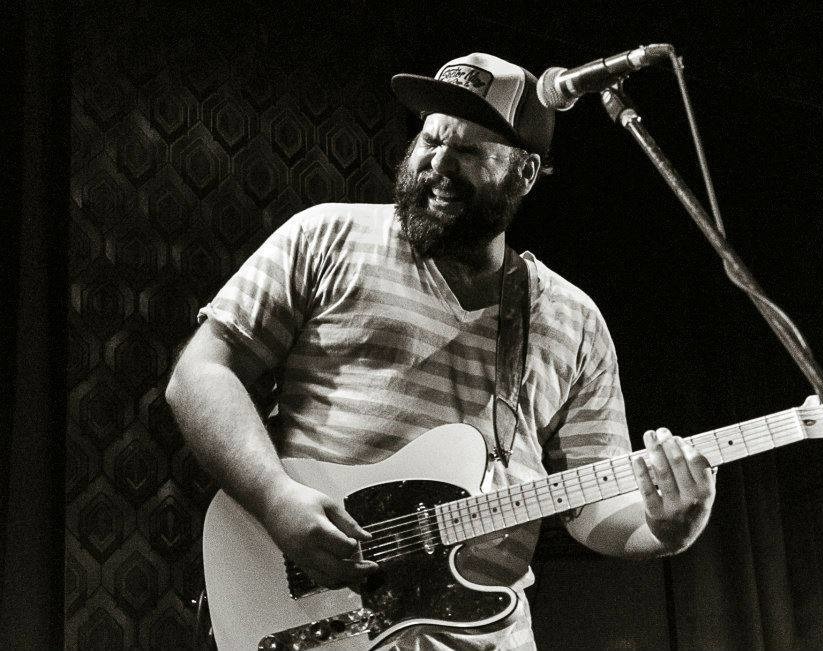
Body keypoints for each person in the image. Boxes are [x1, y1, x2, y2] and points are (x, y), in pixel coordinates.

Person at [166, 52, 716, 650]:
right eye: (431, 141)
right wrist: (275, 498)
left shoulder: (572, 319)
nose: (439, 165)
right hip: (325, 615)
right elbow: (200, 372)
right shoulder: (325, 237)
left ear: (525, 174)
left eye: (470, 152)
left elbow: (593, 506)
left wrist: (667, 527)